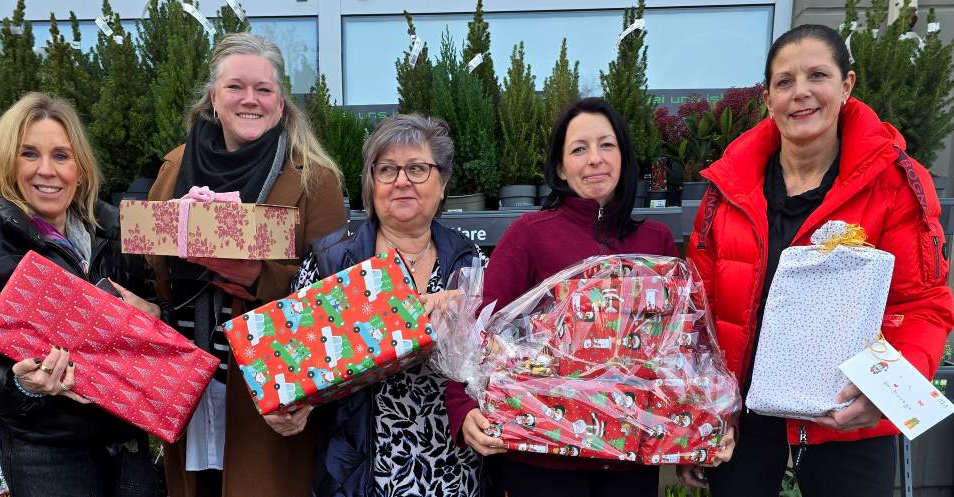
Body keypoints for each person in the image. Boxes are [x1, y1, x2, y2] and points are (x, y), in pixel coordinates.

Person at [684, 24, 954, 497]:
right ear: (767, 97)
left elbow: (924, 303)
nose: (801, 93)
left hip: (849, 413)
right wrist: (697, 414)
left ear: (847, 85)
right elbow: (698, 309)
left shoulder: (894, 183)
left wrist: (885, 395)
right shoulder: (727, 189)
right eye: (784, 82)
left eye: (818, 76)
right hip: (742, 418)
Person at [446, 97, 717, 497]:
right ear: (559, 167)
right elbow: (477, 332)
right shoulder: (530, 235)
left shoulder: (654, 240)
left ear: (624, 155)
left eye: (607, 145)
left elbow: (680, 349)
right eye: (579, 149)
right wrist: (463, 408)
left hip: (630, 455)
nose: (595, 159)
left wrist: (694, 421)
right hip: (544, 456)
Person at [0, 92, 162, 496]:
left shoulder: (115, 229)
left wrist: (153, 312)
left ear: (80, 166)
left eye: (61, 155)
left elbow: (155, 324)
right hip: (47, 454)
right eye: (29, 154)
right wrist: (19, 385)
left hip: (127, 445)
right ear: (8, 162)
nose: (47, 171)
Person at [149, 33, 347, 497]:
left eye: (264, 89)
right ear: (214, 99)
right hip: (187, 379)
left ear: (281, 104)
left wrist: (263, 277)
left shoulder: (315, 178)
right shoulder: (175, 167)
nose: (249, 100)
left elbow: (337, 296)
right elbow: (150, 261)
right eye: (236, 87)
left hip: (268, 388)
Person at [275, 113, 485, 497]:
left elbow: (503, 362)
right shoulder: (331, 262)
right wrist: (289, 407)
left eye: (418, 168)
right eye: (387, 169)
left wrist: (472, 315)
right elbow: (291, 361)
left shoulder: (470, 263)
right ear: (371, 184)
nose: (402, 180)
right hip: (359, 473)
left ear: (442, 184)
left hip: (452, 472)